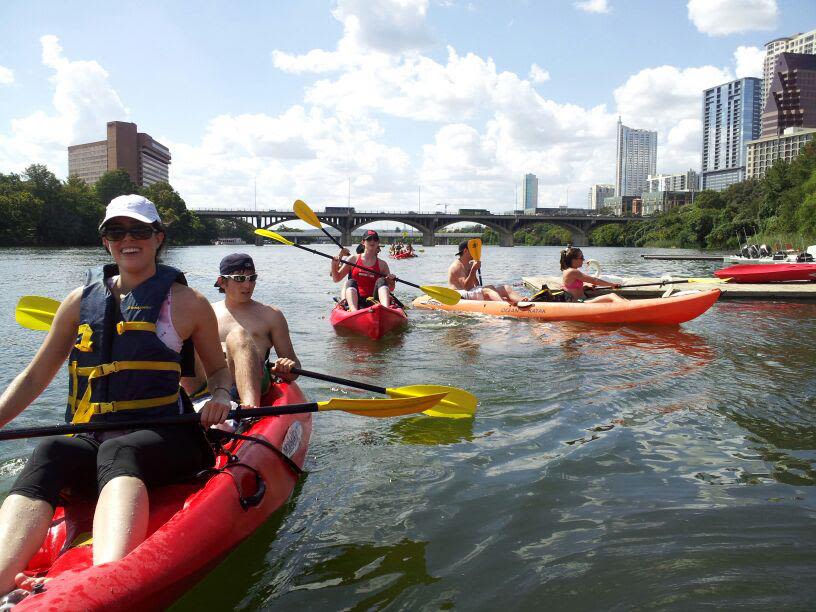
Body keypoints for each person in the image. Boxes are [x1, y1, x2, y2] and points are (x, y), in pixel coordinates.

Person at [0, 194, 233, 595]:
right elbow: (35, 375)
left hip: (168, 437)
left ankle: (105, 585)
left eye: (140, 230)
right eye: (117, 231)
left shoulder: (189, 304)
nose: (129, 239)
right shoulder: (78, 303)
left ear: (158, 237)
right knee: (52, 450)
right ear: (105, 241)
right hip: (96, 434)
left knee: (120, 450)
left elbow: (217, 370)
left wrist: (223, 396)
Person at [181, 253, 300, 408]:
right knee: (182, 333)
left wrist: (286, 366)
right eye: (239, 278)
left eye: (252, 278)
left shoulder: (272, 315)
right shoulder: (206, 312)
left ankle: (250, 408)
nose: (247, 285)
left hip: (250, 380)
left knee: (238, 336)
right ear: (222, 282)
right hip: (207, 382)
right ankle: (184, 402)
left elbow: (295, 369)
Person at [330, 230, 396, 311]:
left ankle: (386, 309)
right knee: (350, 282)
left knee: (382, 281)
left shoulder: (383, 264)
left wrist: (392, 281)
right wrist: (333, 265)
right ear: (363, 242)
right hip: (356, 300)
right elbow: (336, 279)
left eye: (375, 239)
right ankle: (354, 311)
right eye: (369, 239)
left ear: (378, 242)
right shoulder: (353, 259)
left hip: (373, 300)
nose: (372, 241)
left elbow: (391, 288)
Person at [448, 240, 524, 304]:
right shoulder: (456, 266)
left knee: (505, 288)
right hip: (459, 295)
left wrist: (489, 291)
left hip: (469, 293)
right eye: (473, 249)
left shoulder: (469, 264)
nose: (476, 251)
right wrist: (474, 270)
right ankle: (504, 306)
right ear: (465, 251)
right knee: (488, 290)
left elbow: (476, 285)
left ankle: (524, 302)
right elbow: (467, 287)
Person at [560, 246, 625, 303]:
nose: (583, 259)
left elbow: (571, 289)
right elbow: (594, 280)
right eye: (581, 257)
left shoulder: (567, 271)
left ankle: (629, 306)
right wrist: (612, 285)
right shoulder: (572, 271)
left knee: (615, 297)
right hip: (579, 303)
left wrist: (585, 287)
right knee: (612, 296)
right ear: (573, 260)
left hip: (581, 301)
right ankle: (629, 308)